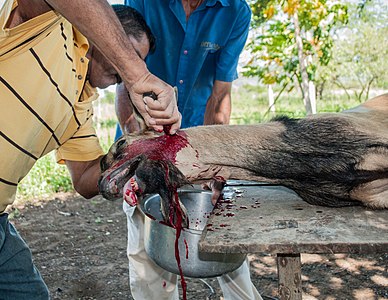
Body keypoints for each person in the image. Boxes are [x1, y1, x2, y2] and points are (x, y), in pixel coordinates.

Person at [0, 1, 174, 298]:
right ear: (102, 29)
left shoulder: (81, 104)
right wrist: (135, 73)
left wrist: (137, 149)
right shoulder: (49, 26)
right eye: (129, 55)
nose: (125, 71)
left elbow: (84, 180)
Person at [115, 1, 262, 299]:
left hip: (197, 144)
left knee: (222, 237)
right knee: (148, 249)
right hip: (145, 140)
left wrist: (216, 160)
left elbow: (220, 95)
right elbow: (123, 74)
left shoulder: (234, 11)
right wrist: (137, 145)